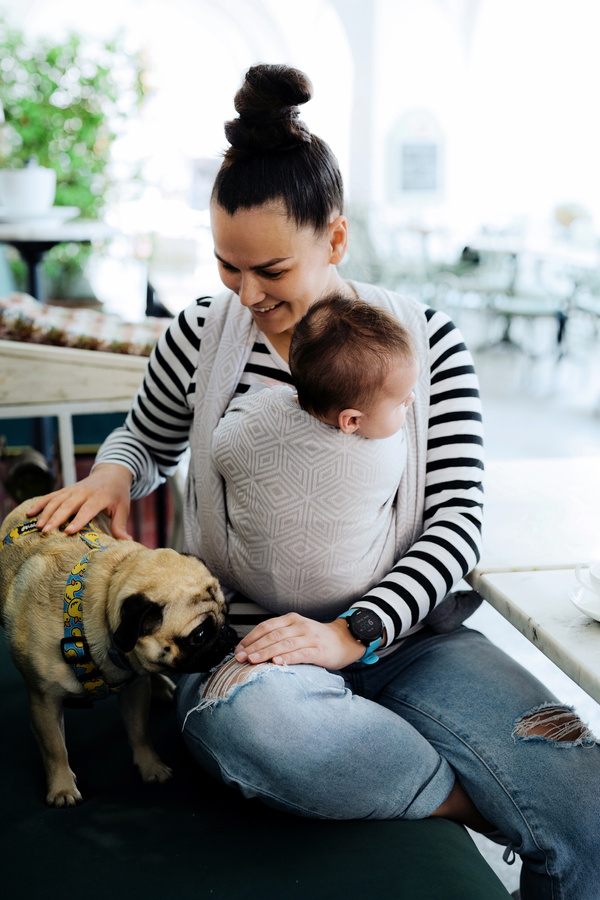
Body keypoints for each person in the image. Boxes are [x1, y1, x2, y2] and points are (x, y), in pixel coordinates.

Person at [28, 64, 600, 899]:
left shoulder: (428, 342)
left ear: (334, 240)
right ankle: (474, 797)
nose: (248, 295)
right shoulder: (199, 334)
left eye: (272, 271)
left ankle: (494, 787)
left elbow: (459, 518)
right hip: (245, 651)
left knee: (583, 795)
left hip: (413, 643)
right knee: (255, 729)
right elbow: (145, 441)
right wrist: (117, 474)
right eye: (229, 268)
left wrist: (352, 635)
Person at [212, 292, 420, 616]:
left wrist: (264, 397)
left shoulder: (257, 417)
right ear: (351, 421)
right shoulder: (386, 452)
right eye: (401, 401)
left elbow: (221, 446)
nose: (411, 401)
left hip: (252, 588)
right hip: (357, 597)